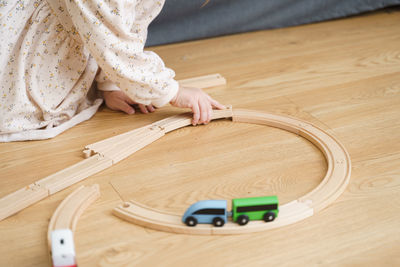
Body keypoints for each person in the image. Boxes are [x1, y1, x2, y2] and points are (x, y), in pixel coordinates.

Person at [0, 0, 224, 142]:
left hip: (81, 40)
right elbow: (109, 40)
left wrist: (111, 82)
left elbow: (127, 26)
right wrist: (172, 91)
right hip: (27, 47)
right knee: (20, 106)